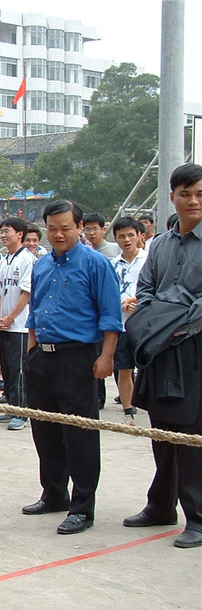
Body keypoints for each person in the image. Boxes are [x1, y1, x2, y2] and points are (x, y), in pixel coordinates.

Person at [21, 199, 121, 535]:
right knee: (45, 431)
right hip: (42, 358)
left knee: (80, 435)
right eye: (52, 229)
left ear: (80, 227)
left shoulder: (96, 264)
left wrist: (106, 357)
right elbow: (34, 311)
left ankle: (82, 507)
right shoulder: (41, 265)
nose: (59, 234)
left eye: (66, 228)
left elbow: (110, 315)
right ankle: (53, 494)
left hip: (78, 357)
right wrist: (32, 350)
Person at [123, 163, 202, 548]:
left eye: (200, 194)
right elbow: (147, 289)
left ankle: (198, 518)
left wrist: (172, 322)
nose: (192, 201)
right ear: (172, 195)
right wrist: (159, 320)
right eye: (185, 193)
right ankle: (161, 506)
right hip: (159, 348)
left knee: (191, 433)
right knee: (161, 430)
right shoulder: (160, 244)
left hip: (193, 348)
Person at [0, 217, 34, 431]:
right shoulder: (3, 260)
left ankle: (22, 411)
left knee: (19, 368)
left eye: (7, 231)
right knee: (7, 367)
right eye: (2, 231)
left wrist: (11, 317)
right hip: (5, 324)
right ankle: (11, 405)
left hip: (20, 325)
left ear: (20, 234)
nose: (3, 234)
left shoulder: (27, 259)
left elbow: (26, 293)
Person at [110, 216, 147, 426]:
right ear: (115, 239)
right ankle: (128, 410)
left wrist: (138, 301)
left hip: (145, 325)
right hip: (121, 324)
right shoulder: (112, 265)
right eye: (121, 236)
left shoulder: (150, 260)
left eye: (131, 235)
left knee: (148, 367)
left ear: (140, 236)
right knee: (124, 368)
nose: (126, 240)